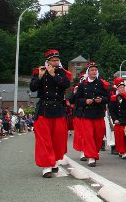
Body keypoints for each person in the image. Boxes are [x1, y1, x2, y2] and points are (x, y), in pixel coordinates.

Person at [29, 49, 71, 178]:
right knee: (44, 139)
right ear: (48, 61)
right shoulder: (39, 71)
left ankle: (54, 162)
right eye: (53, 60)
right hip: (44, 109)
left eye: (57, 60)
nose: (56, 62)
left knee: (58, 138)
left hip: (58, 108)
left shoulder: (63, 73)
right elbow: (33, 88)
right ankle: (46, 166)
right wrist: (40, 77)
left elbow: (66, 85)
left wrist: (54, 75)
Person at [73, 62, 110, 167]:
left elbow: (107, 98)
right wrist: (85, 101)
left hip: (98, 114)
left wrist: (101, 99)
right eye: (92, 70)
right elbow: (76, 100)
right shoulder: (82, 85)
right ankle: (91, 157)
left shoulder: (102, 84)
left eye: (95, 70)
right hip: (87, 114)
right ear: (88, 72)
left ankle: (94, 152)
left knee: (98, 136)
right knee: (88, 136)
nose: (94, 72)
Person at [68, 72, 86, 161]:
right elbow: (71, 101)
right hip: (79, 114)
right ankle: (82, 152)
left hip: (90, 114)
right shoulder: (77, 89)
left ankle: (90, 150)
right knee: (80, 134)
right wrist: (75, 92)